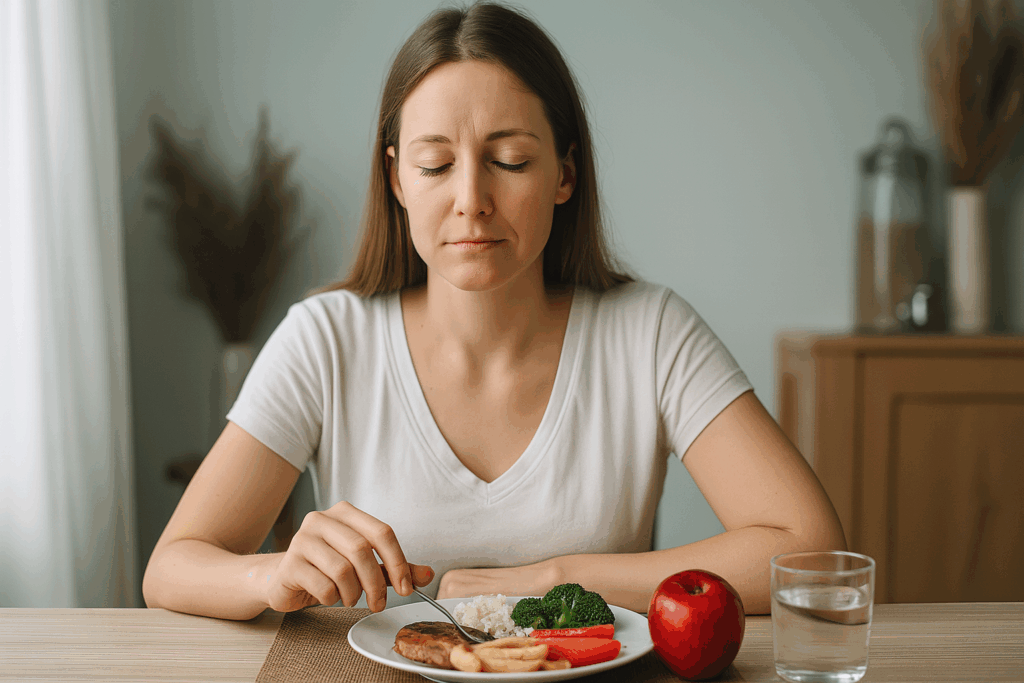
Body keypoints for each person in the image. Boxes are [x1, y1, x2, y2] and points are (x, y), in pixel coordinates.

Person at [142, 1, 846, 622]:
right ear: (395, 179)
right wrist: (274, 572)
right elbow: (172, 567)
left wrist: (555, 578)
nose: (471, 198)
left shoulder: (650, 331)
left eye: (509, 160)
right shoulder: (327, 337)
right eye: (434, 164)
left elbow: (809, 549)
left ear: (565, 174)